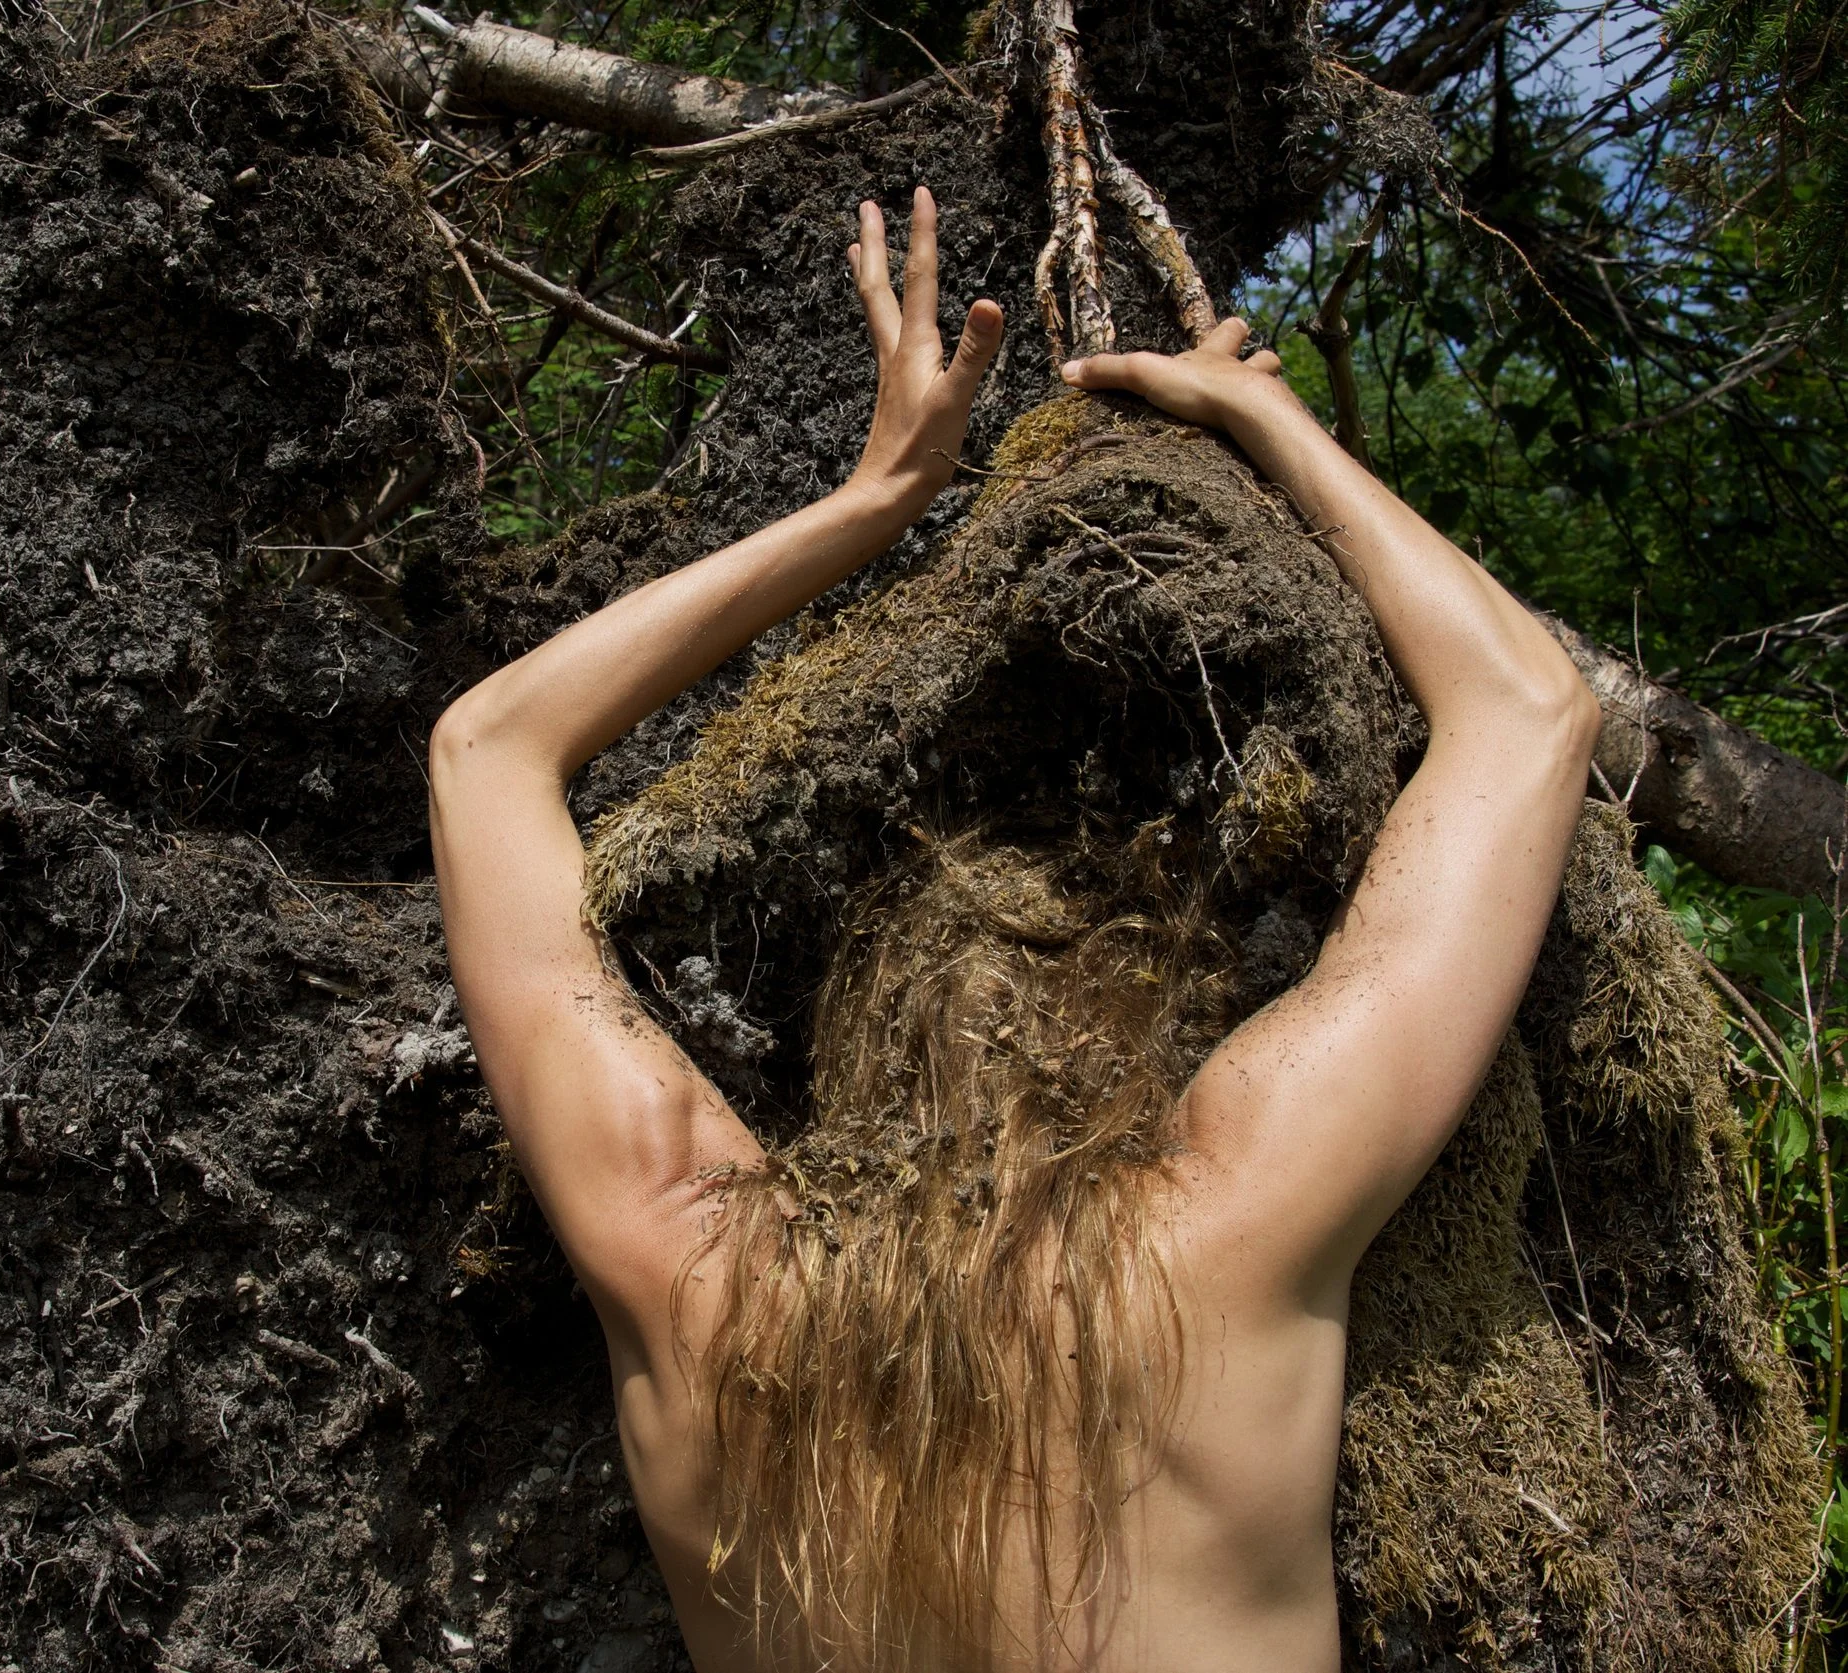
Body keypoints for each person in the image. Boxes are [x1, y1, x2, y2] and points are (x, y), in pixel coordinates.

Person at [428, 185, 1599, 1671]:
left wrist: (875, 500)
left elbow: (487, 752)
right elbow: (1524, 708)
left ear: (850, 1032)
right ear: (1142, 1027)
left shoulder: (690, 1270)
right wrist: (1262, 423)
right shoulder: (1227, 1224)